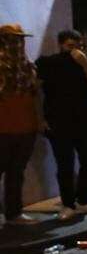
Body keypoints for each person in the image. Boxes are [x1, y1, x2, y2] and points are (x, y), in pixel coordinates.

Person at [35, 29, 87, 219]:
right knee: (65, 164)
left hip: (83, 119)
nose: (74, 50)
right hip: (57, 120)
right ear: (61, 44)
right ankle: (68, 204)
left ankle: (84, 201)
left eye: (78, 46)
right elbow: (35, 91)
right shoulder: (48, 63)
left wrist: (85, 63)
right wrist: (40, 118)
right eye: (70, 46)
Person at [0, 48, 42, 227]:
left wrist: (39, 120)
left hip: (26, 128)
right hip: (2, 128)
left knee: (16, 173)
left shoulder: (27, 68)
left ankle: (14, 213)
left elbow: (35, 95)